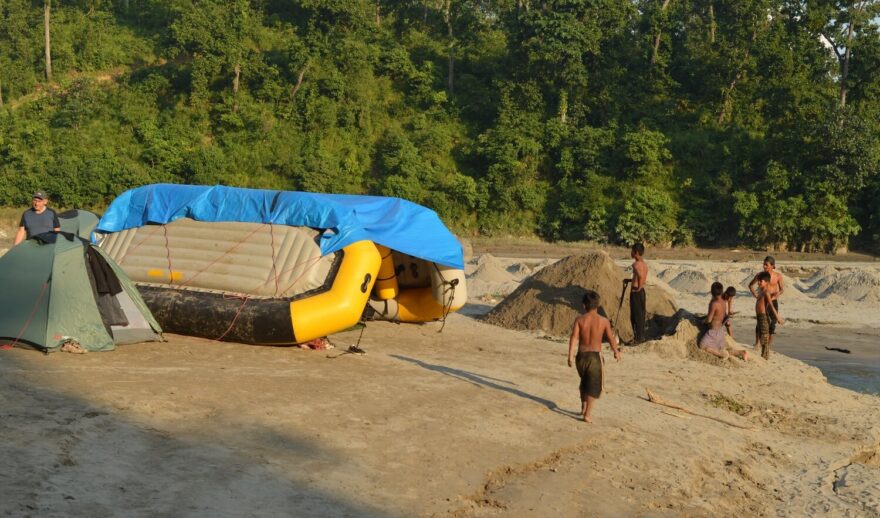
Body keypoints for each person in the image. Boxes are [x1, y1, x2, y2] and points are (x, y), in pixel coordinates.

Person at [568, 290, 621, 423]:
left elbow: (574, 337)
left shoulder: (579, 320)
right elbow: (610, 338)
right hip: (595, 357)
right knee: (594, 386)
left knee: (584, 381)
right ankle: (587, 413)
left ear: (584, 306)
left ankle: (583, 405)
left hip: (580, 356)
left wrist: (570, 355)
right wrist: (616, 351)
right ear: (598, 306)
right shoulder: (603, 321)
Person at [700, 282, 748, 360]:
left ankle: (724, 350)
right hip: (720, 329)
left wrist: (703, 321)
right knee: (723, 347)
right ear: (723, 292)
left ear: (712, 292)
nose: (730, 299)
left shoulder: (715, 302)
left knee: (702, 345)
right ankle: (741, 352)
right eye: (730, 297)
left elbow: (709, 319)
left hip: (714, 330)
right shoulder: (722, 300)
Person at [748, 256, 784, 351]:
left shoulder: (778, 276)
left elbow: (781, 289)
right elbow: (750, 285)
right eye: (763, 264)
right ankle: (757, 343)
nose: (764, 266)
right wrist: (756, 295)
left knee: (773, 322)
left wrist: (777, 294)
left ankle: (768, 344)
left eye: (766, 265)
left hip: (773, 300)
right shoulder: (760, 275)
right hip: (763, 301)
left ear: (772, 266)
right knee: (761, 321)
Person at [754, 271, 784, 360]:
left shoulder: (766, 292)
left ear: (766, 282)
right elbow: (750, 286)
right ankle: (763, 355)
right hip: (759, 316)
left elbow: (771, 305)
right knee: (761, 336)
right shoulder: (761, 291)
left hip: (763, 317)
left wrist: (778, 317)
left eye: (761, 281)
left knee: (764, 338)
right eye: (758, 281)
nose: (759, 283)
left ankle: (765, 357)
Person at [627, 242, 648, 344]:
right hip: (641, 291)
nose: (630, 253)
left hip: (637, 291)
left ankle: (637, 339)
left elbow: (640, 276)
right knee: (640, 315)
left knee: (635, 315)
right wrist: (630, 281)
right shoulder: (644, 264)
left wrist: (638, 287)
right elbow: (640, 276)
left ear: (636, 252)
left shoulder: (636, 264)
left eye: (632, 251)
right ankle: (640, 337)